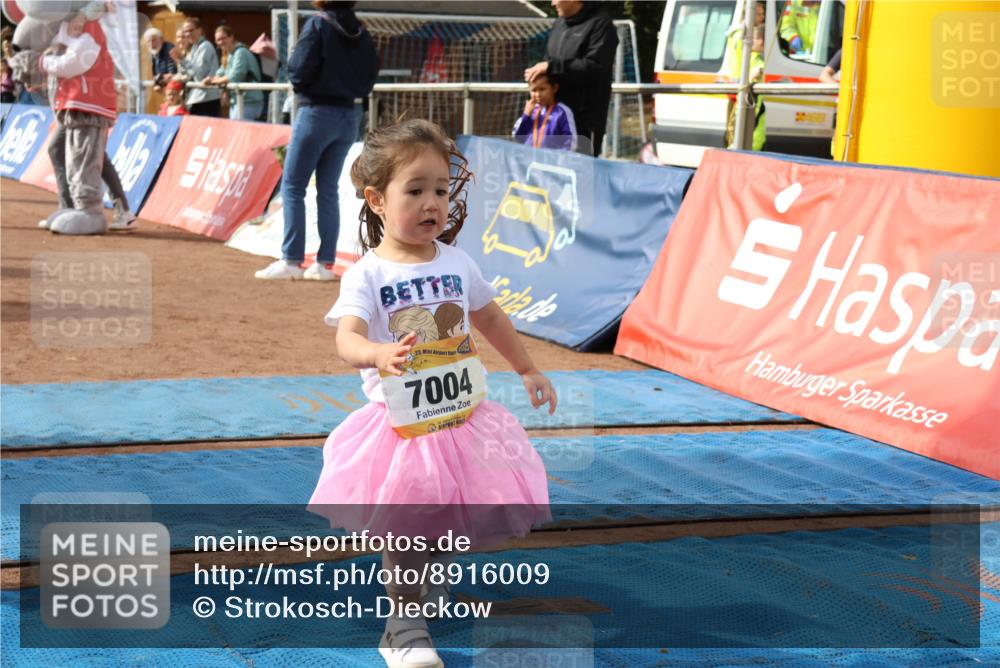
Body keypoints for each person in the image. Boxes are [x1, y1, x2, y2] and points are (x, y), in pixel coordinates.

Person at [307, 119, 554, 668]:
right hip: (402, 427)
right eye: (415, 190)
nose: (431, 203)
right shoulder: (367, 274)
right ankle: (402, 625)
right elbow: (347, 337)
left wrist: (527, 368)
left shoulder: (458, 262)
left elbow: (490, 317)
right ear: (376, 199)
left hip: (462, 418)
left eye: (440, 190)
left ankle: (428, 582)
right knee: (409, 526)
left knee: (445, 515)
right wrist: (376, 354)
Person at [255, 1, 378, 281]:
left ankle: (291, 260)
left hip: (315, 112)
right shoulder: (362, 30)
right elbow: (371, 72)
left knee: (293, 186)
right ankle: (324, 264)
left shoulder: (318, 24)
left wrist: (307, 85)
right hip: (349, 115)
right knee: (328, 190)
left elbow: (298, 68)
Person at [37, 10, 121, 235]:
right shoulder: (72, 25)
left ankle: (92, 210)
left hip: (88, 104)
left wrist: (41, 62)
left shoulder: (92, 26)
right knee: (65, 152)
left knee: (86, 157)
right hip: (74, 104)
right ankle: (72, 206)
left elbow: (74, 63)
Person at [524, 0, 617, 157]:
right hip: (553, 119)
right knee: (550, 169)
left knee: (580, 170)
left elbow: (596, 67)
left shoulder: (601, 24)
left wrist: (552, 66)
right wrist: (538, 79)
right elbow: (549, 62)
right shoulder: (559, 24)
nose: (552, 3)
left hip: (584, 123)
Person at [204, 24, 263, 122]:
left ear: (231, 37)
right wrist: (212, 79)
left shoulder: (241, 52)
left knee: (242, 131)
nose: (221, 42)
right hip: (238, 101)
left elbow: (235, 76)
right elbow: (221, 73)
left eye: (223, 38)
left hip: (249, 102)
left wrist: (213, 81)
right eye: (218, 40)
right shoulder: (229, 55)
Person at [512, 72, 577, 151]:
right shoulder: (529, 111)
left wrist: (557, 157)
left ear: (555, 88)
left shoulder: (562, 112)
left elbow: (570, 143)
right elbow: (517, 138)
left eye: (542, 89)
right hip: (529, 158)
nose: (538, 95)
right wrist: (526, 116)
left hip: (552, 158)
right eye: (533, 90)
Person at [171, 17, 221, 117]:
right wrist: (175, 75)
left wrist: (182, 60)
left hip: (207, 100)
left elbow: (199, 75)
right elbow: (188, 74)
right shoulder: (194, 48)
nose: (188, 34)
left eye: (191, 30)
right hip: (197, 99)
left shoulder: (205, 46)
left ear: (199, 30)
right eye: (185, 31)